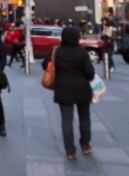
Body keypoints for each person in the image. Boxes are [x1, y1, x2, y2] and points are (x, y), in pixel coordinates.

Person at [42, 27, 95, 161]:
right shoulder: (82, 53)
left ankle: (70, 151)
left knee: (67, 120)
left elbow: (44, 65)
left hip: (63, 89)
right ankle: (85, 145)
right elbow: (90, 73)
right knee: (84, 118)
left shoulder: (56, 51)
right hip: (82, 89)